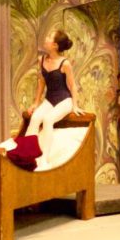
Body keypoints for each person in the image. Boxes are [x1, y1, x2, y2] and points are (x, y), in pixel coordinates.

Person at [26, 29, 81, 159]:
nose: (46, 38)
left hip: (64, 100)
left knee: (48, 119)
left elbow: (72, 86)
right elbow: (41, 82)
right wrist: (35, 103)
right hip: (49, 100)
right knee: (34, 119)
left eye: (50, 37)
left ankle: (44, 158)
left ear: (55, 45)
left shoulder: (65, 63)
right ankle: (28, 154)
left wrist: (75, 105)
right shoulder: (42, 59)